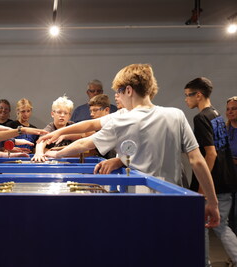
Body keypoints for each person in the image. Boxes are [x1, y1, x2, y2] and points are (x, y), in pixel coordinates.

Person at [39, 63, 220, 229]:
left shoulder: (122, 120)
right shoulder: (176, 115)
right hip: (175, 199)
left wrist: (55, 154)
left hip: (140, 201)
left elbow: (84, 142)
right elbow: (197, 161)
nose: (117, 97)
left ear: (128, 90)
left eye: (118, 92)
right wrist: (212, 202)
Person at [184, 78, 237, 266]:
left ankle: (204, 262)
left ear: (198, 95)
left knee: (206, 226)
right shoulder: (216, 114)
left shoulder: (201, 118)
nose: (186, 100)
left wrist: (201, 187)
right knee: (221, 226)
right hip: (225, 180)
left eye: (188, 95)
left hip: (213, 183)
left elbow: (211, 154)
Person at [32, 96, 74, 162]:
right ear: (52, 114)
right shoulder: (49, 128)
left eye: (65, 113)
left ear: (69, 116)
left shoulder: (74, 126)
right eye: (59, 112)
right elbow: (42, 141)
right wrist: (39, 153)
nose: (62, 115)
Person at [226, 96, 237, 235]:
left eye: (234, 109)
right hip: (229, 179)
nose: (230, 111)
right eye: (228, 109)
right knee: (230, 216)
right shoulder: (225, 130)